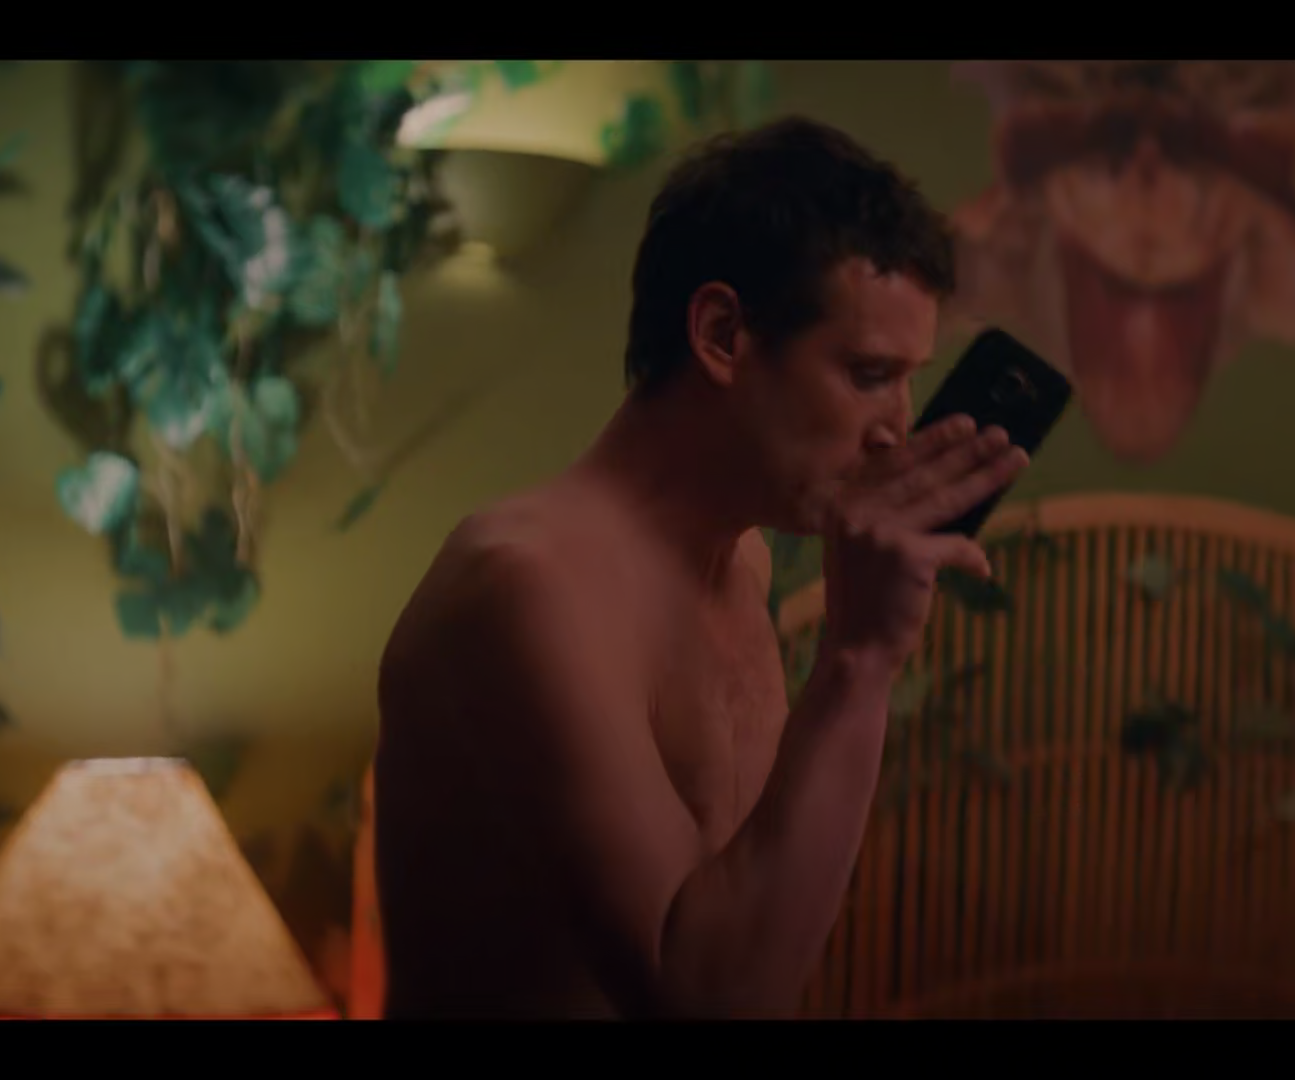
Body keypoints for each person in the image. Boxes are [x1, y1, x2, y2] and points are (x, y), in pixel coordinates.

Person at [371, 115, 1029, 1019]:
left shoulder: (744, 560)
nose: (895, 430)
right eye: (868, 374)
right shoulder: (525, 586)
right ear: (722, 334)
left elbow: (759, 920)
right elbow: (707, 999)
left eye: (907, 379)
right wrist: (860, 657)